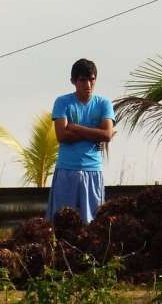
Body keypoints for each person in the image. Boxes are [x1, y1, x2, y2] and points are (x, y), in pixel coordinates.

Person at [47, 59, 115, 224]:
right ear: (73, 81)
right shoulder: (63, 102)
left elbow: (106, 135)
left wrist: (76, 127)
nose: (88, 84)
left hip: (93, 171)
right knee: (61, 223)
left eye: (91, 79)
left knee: (92, 224)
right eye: (82, 80)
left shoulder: (104, 103)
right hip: (66, 170)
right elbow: (62, 136)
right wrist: (95, 133)